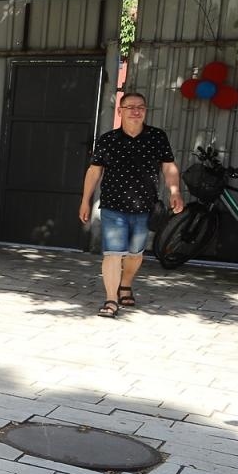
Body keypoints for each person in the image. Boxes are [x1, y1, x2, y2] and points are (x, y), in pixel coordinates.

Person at [78, 91, 183, 317]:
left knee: (135, 254)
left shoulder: (157, 137)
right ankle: (111, 300)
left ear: (145, 111)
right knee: (113, 254)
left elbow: (168, 167)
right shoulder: (108, 140)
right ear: (120, 111)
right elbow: (94, 171)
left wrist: (175, 191)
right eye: (130, 107)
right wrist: (85, 201)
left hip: (145, 207)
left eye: (141, 107)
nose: (136, 111)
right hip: (112, 206)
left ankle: (125, 283)